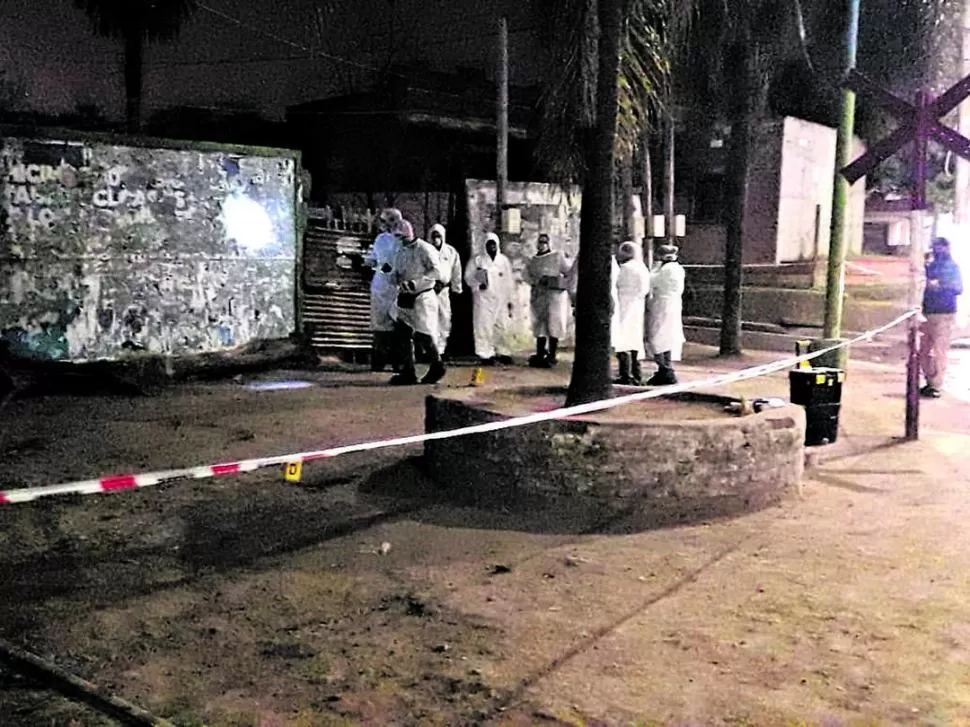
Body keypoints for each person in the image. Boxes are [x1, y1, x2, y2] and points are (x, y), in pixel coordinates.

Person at [389, 220, 446, 386]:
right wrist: (379, 267)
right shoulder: (399, 250)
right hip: (405, 296)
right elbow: (393, 270)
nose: (399, 240)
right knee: (402, 332)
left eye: (401, 236)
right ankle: (408, 370)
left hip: (422, 296)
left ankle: (437, 364)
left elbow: (437, 271)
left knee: (423, 334)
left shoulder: (424, 249)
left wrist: (417, 283)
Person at [920, 236, 963, 398]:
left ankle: (936, 384)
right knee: (923, 350)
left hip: (944, 312)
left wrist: (940, 286)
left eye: (940, 247)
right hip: (928, 312)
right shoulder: (931, 266)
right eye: (935, 247)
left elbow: (958, 288)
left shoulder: (952, 267)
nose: (937, 250)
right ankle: (930, 381)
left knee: (939, 350)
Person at [362, 208, 403, 372]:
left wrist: (379, 266)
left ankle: (394, 362)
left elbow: (388, 266)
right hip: (382, 287)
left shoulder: (400, 241)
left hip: (394, 286)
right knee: (382, 326)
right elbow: (374, 260)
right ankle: (383, 361)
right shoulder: (381, 240)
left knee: (395, 326)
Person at [465, 232, 514, 365]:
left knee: (502, 327)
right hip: (483, 299)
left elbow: (509, 281)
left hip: (501, 300)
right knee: (483, 327)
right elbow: (468, 277)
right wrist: (477, 285)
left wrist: (510, 300)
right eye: (489, 244)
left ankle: (503, 352)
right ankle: (485, 354)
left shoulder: (503, 261)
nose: (491, 247)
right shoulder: (477, 260)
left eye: (493, 244)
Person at [526, 233, 573, 368]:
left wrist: (557, 281)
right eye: (540, 242)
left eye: (544, 242)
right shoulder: (533, 261)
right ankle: (540, 353)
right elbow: (527, 275)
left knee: (554, 325)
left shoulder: (557, 257)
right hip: (538, 296)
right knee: (539, 326)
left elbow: (568, 272)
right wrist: (536, 281)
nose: (542, 245)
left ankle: (552, 355)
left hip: (554, 297)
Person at [646, 244, 686, 386]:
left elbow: (650, 281)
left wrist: (655, 267)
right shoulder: (678, 268)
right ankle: (666, 367)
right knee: (668, 337)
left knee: (657, 336)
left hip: (662, 305)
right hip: (674, 304)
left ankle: (665, 370)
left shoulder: (665, 270)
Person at [611, 241, 650, 385]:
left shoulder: (625, 269)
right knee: (635, 341)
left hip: (623, 304)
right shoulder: (642, 267)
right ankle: (637, 374)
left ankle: (625, 374)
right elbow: (644, 289)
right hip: (637, 305)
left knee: (622, 340)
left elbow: (616, 284)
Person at [429, 223, 463, 358]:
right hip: (428, 289)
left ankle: (441, 349)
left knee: (444, 318)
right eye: (434, 236)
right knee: (429, 319)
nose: (436, 239)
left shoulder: (450, 252)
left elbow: (456, 270)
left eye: (438, 236)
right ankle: (431, 349)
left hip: (443, 290)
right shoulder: (426, 250)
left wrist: (457, 287)